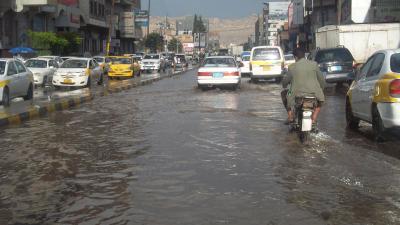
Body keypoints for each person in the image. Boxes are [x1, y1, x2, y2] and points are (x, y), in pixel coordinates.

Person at [282, 47, 326, 125]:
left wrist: (285, 85)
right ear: (304, 55)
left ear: (295, 57)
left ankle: (290, 116)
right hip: (314, 95)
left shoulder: (292, 67)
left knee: (284, 93)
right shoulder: (314, 64)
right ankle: (314, 118)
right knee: (321, 100)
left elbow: (285, 82)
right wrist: (321, 89)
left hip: (297, 96)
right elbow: (322, 81)